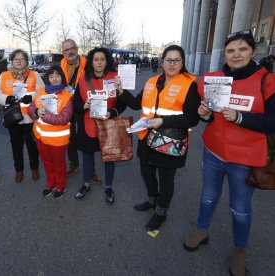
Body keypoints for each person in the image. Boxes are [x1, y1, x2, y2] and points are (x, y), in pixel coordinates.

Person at [183, 30, 275, 276]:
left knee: (240, 209)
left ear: (252, 51)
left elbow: (272, 121)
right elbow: (212, 116)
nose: (236, 55)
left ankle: (239, 250)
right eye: (231, 50)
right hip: (214, 152)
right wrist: (205, 114)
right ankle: (202, 230)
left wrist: (240, 117)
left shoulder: (266, 80)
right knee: (208, 197)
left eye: (242, 49)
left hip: (246, 159)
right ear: (224, 53)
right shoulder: (215, 78)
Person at [118, 45, 200, 231]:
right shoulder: (152, 81)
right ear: (161, 61)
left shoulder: (190, 84)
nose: (172, 64)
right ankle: (152, 199)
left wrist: (162, 121)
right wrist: (121, 90)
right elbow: (137, 103)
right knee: (146, 172)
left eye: (176, 60)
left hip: (170, 141)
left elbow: (193, 118)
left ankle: (161, 212)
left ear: (182, 62)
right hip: (146, 137)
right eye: (168, 60)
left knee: (166, 179)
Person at [73, 47, 127, 204]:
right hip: (88, 125)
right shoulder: (83, 80)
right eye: (96, 59)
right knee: (87, 156)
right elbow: (75, 103)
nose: (99, 62)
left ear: (107, 61)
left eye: (102, 59)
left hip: (109, 124)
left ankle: (109, 187)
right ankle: (86, 184)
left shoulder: (114, 78)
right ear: (91, 61)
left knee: (109, 158)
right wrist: (84, 105)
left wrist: (113, 112)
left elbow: (123, 103)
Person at [0, 49, 44, 183]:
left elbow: (42, 92)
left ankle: (34, 168)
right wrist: (6, 98)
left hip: (30, 117)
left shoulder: (34, 75)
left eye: (22, 59)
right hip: (13, 117)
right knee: (16, 146)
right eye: (16, 59)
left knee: (32, 145)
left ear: (27, 61)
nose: (19, 61)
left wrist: (31, 96)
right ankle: (19, 170)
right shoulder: (4, 75)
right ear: (12, 61)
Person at [60, 39, 101, 184]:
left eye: (72, 48)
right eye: (66, 50)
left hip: (84, 104)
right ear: (63, 52)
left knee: (87, 136)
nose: (69, 52)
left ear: (77, 49)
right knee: (69, 136)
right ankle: (74, 163)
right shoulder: (61, 65)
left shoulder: (87, 64)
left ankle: (91, 170)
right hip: (67, 105)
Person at [28, 65, 73, 198]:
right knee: (47, 163)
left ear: (62, 78)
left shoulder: (67, 95)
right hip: (40, 137)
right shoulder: (41, 91)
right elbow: (31, 107)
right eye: (51, 76)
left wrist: (44, 115)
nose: (54, 79)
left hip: (58, 139)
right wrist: (36, 111)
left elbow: (64, 118)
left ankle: (61, 186)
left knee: (59, 164)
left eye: (57, 76)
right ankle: (51, 184)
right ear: (47, 78)